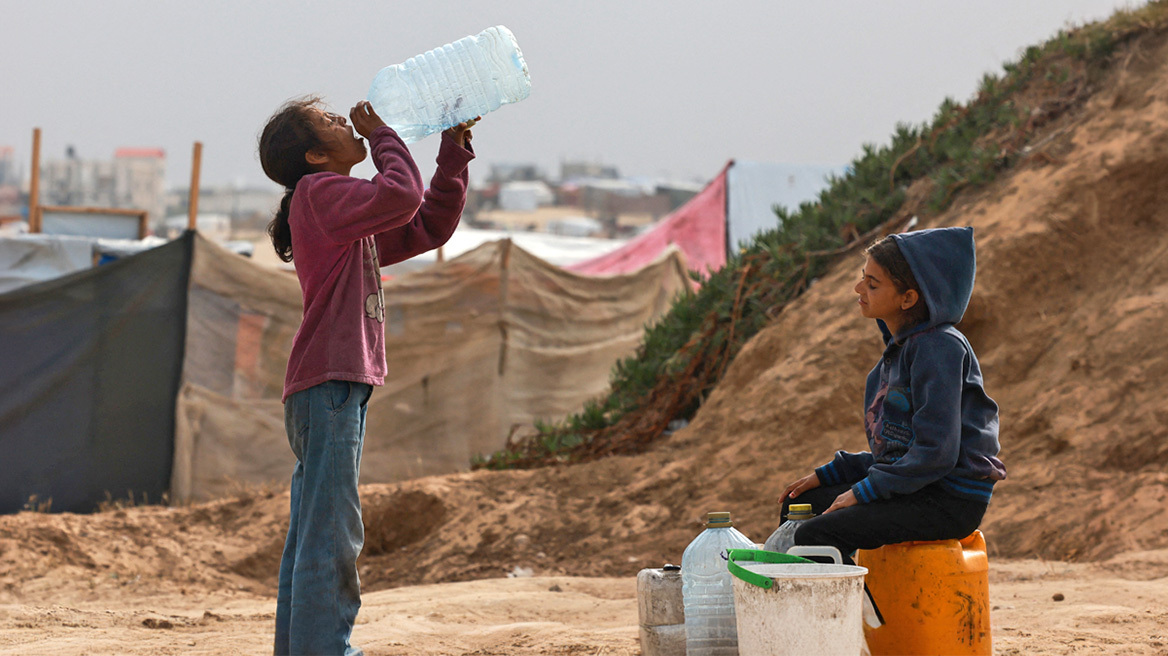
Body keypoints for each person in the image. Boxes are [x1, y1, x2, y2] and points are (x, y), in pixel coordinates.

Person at [258, 96, 476, 656]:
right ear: (314, 155)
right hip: (328, 386)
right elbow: (400, 194)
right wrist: (382, 135)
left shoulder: (340, 211)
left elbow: (425, 224)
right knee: (332, 535)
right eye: (330, 122)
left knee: (315, 534)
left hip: (331, 387)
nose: (344, 120)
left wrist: (451, 155)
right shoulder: (319, 194)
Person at [778, 227, 1006, 566]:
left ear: (908, 298)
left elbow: (936, 455)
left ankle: (847, 618)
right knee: (803, 502)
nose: (859, 289)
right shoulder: (900, 352)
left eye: (873, 284)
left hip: (949, 499)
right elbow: (898, 456)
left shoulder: (939, 347)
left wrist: (862, 491)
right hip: (920, 487)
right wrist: (833, 473)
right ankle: (819, 606)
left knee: (816, 535)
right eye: (862, 279)